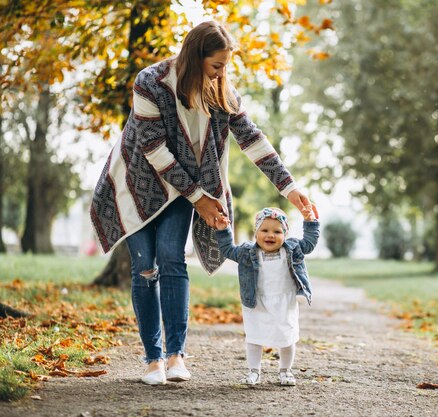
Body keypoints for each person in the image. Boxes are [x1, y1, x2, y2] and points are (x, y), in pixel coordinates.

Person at [90, 21, 311, 385]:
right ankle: (152, 359)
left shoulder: (222, 91)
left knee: (171, 256)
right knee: (145, 267)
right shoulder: (151, 82)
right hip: (137, 184)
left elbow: (252, 139)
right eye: (217, 65)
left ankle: (176, 355)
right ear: (195, 57)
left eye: (226, 65)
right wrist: (200, 199)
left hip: (183, 189)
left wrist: (290, 188)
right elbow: (152, 147)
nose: (223, 73)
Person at [214, 206, 319, 386]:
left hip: (285, 303)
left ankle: (285, 371)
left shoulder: (292, 249)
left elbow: (309, 243)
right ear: (256, 233)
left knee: (286, 338)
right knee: (254, 337)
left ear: (285, 234)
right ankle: (254, 371)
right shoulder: (247, 252)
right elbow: (228, 250)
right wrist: (224, 230)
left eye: (277, 231)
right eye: (265, 230)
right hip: (256, 303)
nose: (270, 235)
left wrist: (310, 221)